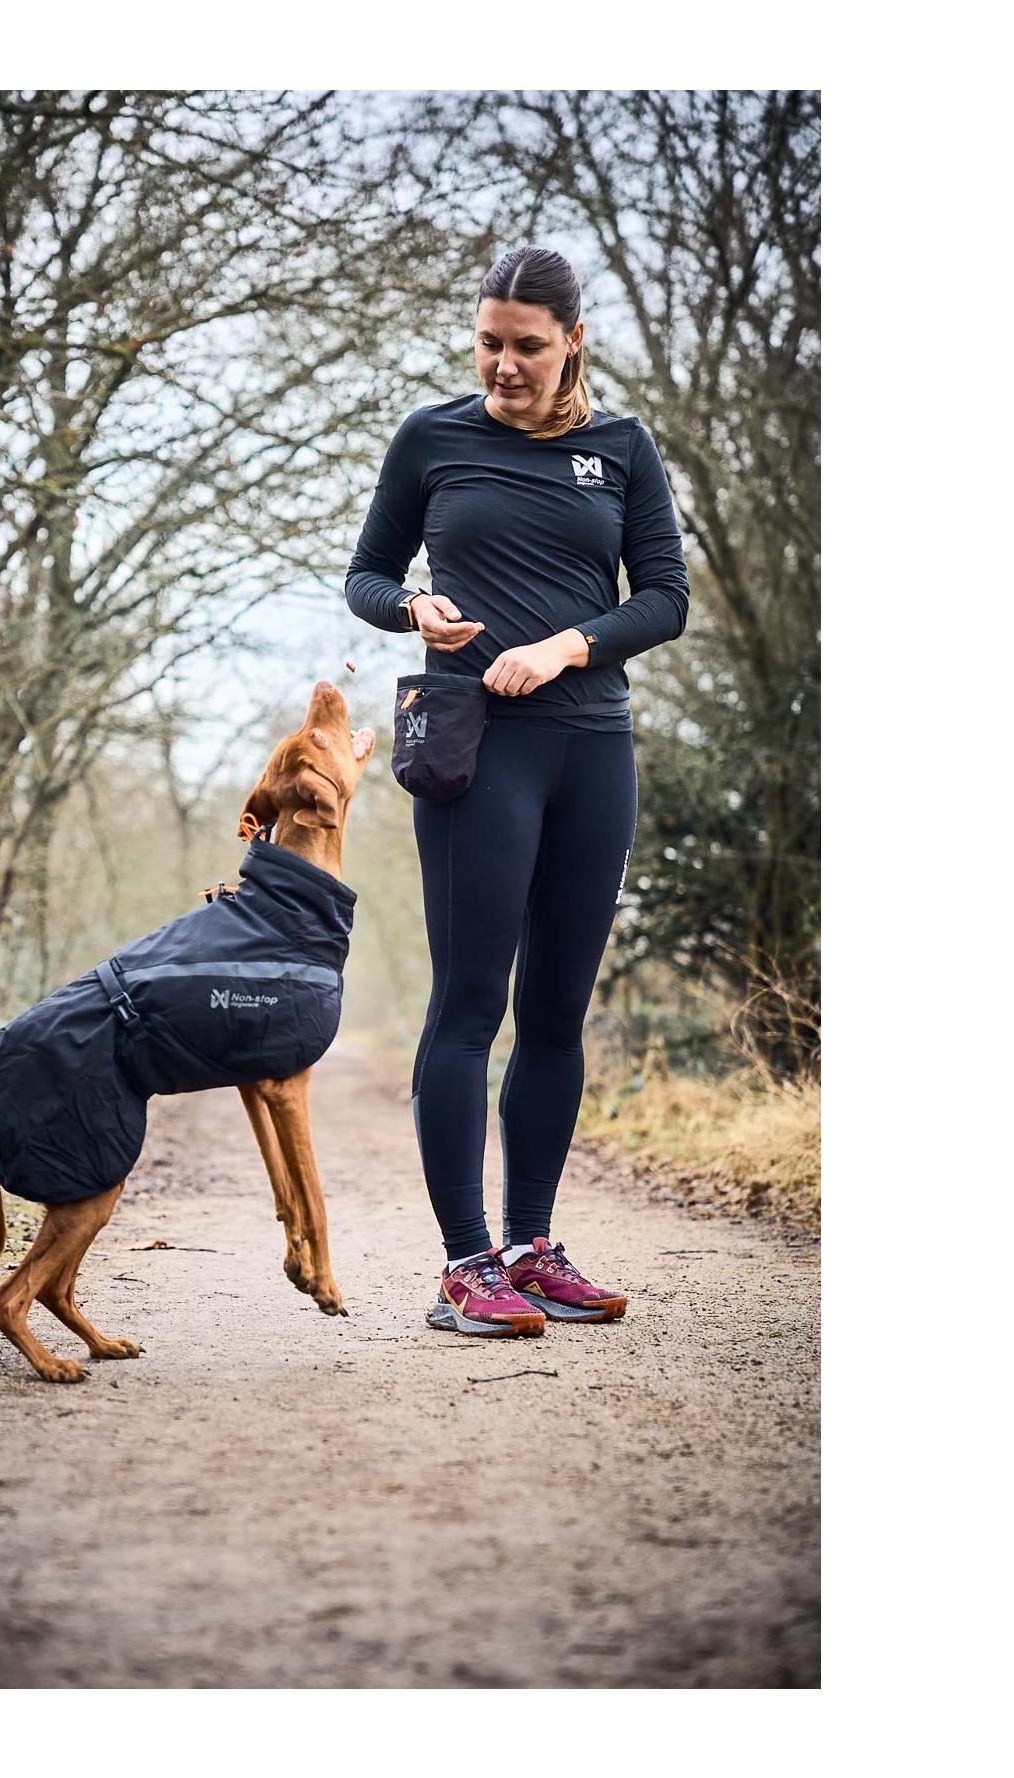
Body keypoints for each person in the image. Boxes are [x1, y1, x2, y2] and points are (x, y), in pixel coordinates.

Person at [345, 245, 690, 1337]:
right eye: (488, 343)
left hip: (592, 752)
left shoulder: (621, 448)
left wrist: (566, 646)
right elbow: (365, 576)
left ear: (572, 341)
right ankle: (466, 1264)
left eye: (527, 347)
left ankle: (531, 1248)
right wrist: (412, 609)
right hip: (474, 749)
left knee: (554, 1014)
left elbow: (665, 597)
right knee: (467, 1006)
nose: (503, 365)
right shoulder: (431, 438)